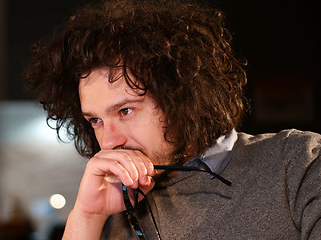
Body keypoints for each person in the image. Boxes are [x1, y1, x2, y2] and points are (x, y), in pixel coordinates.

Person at [24, 0, 321, 239]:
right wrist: (87, 217)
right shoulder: (107, 209)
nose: (109, 141)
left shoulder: (297, 164)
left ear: (180, 97)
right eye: (95, 120)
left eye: (125, 111)